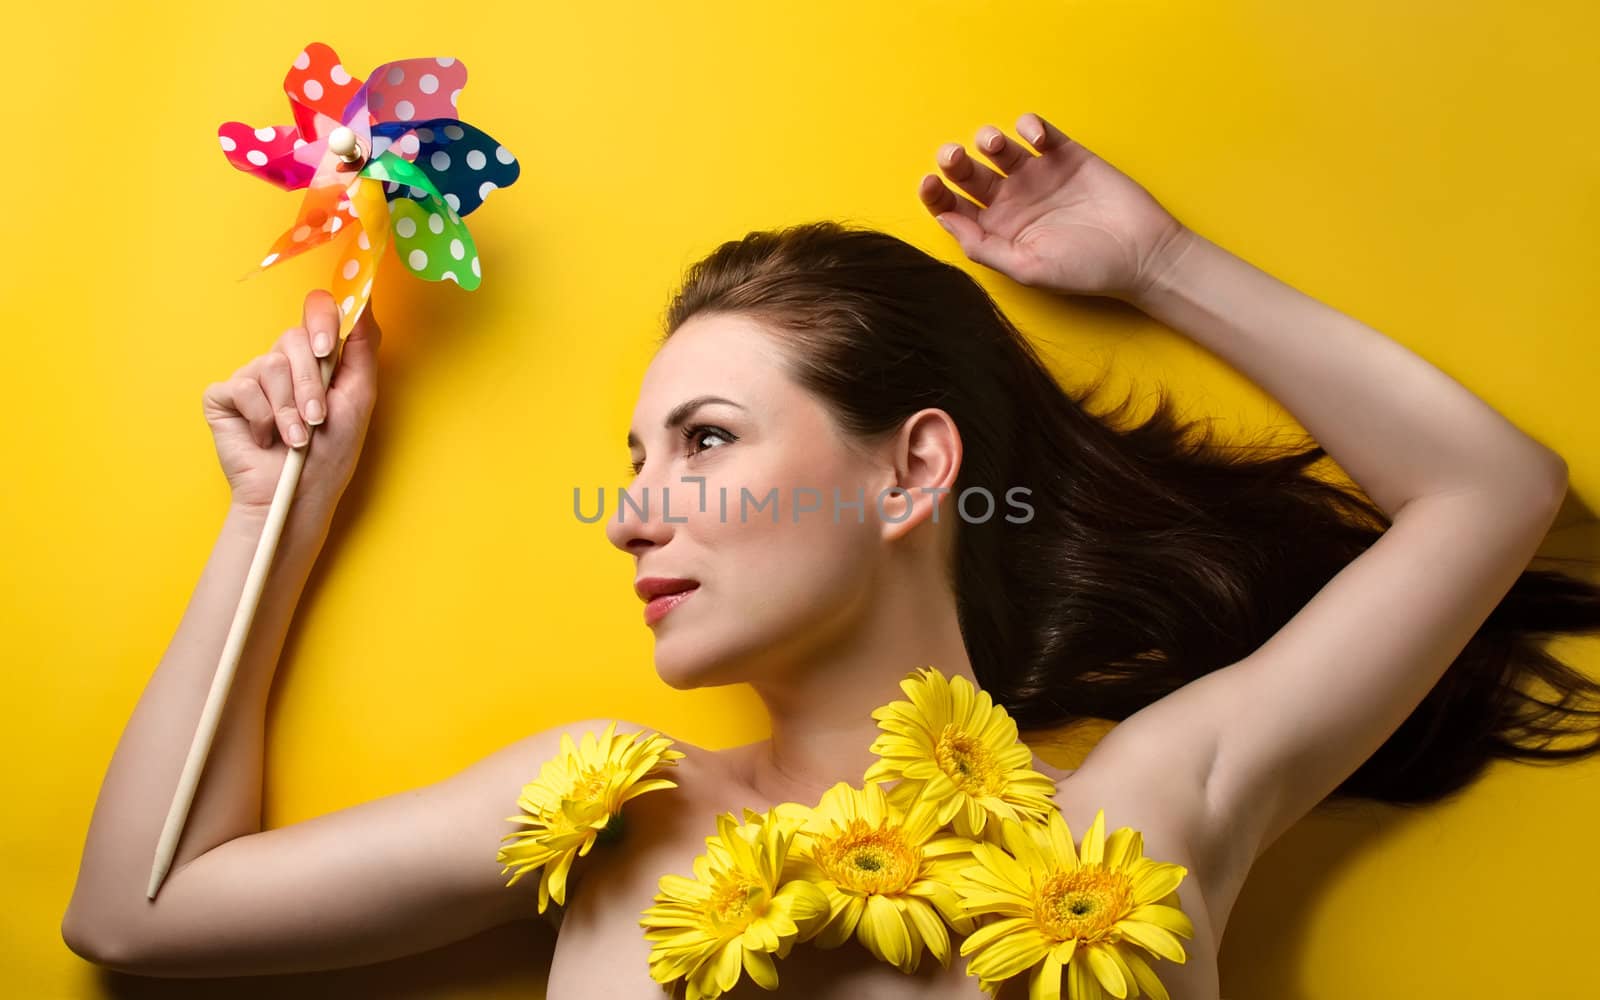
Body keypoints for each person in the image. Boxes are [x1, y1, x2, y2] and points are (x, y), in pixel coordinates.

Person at [61, 112, 1600, 999]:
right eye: (634, 459)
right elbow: (136, 919)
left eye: (707, 440)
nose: (639, 510)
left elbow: (1490, 491)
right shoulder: (604, 807)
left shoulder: (1150, 806)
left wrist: (1159, 265)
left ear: (913, 469)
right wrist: (276, 515)